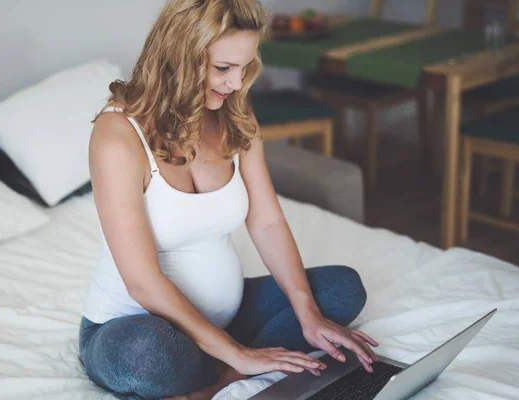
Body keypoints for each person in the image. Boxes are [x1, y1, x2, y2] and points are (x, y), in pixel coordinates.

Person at [79, 0, 379, 399]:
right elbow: (143, 284)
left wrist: (307, 314)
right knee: (146, 356)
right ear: (178, 57)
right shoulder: (118, 135)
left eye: (245, 67)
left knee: (342, 288)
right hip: (135, 325)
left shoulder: (233, 114)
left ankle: (220, 376)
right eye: (223, 68)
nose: (236, 84)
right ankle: (228, 363)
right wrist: (237, 352)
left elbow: (267, 221)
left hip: (229, 320)